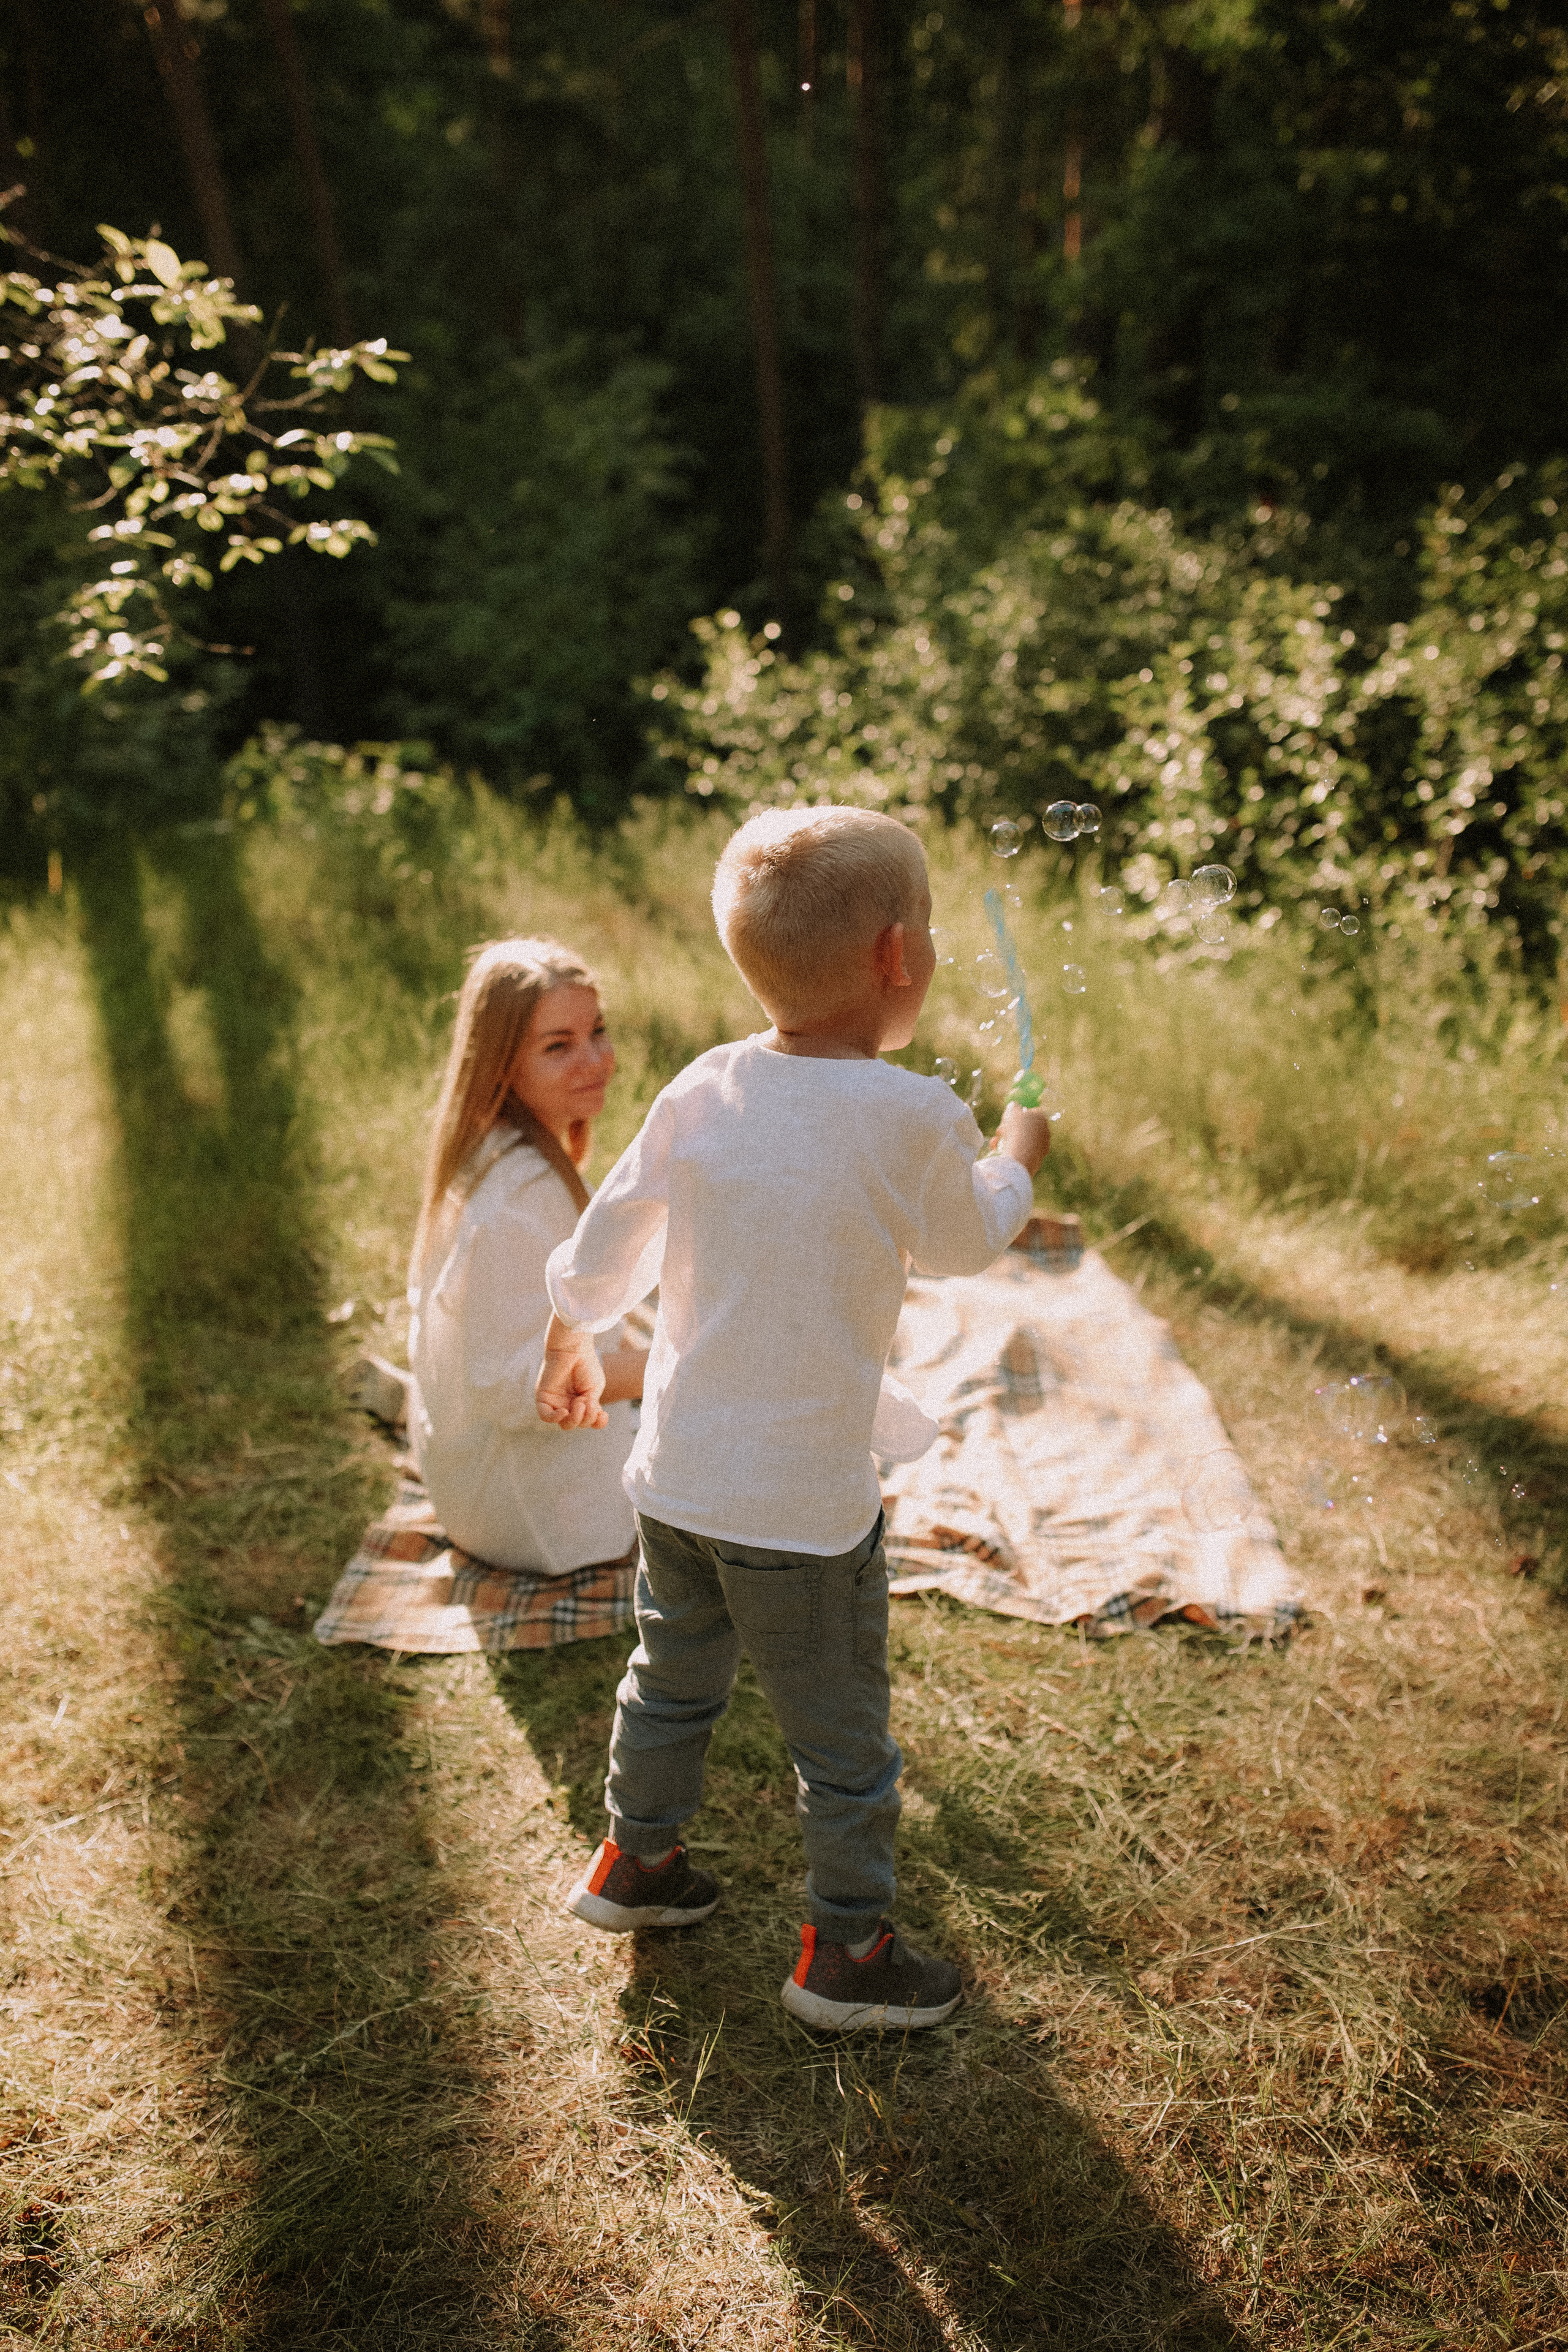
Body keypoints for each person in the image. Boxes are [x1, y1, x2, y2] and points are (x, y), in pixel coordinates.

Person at [535, 808, 1052, 2031]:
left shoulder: (704, 1084)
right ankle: (846, 1956)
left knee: (670, 1682)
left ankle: (635, 1867)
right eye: (922, 925)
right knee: (842, 1748)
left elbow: (610, 1233)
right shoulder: (915, 1115)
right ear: (895, 957)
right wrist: (1018, 1155)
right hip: (802, 1513)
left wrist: (571, 1329)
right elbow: (962, 1239)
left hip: (676, 1481)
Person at [391, 937, 648, 1574]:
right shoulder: (518, 1200)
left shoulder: (497, 1155)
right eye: (557, 1046)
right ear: (502, 1063)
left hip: (482, 1489)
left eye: (597, 1032)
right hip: (534, 1519)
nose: (594, 1060)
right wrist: (675, 1365)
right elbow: (518, 1390)